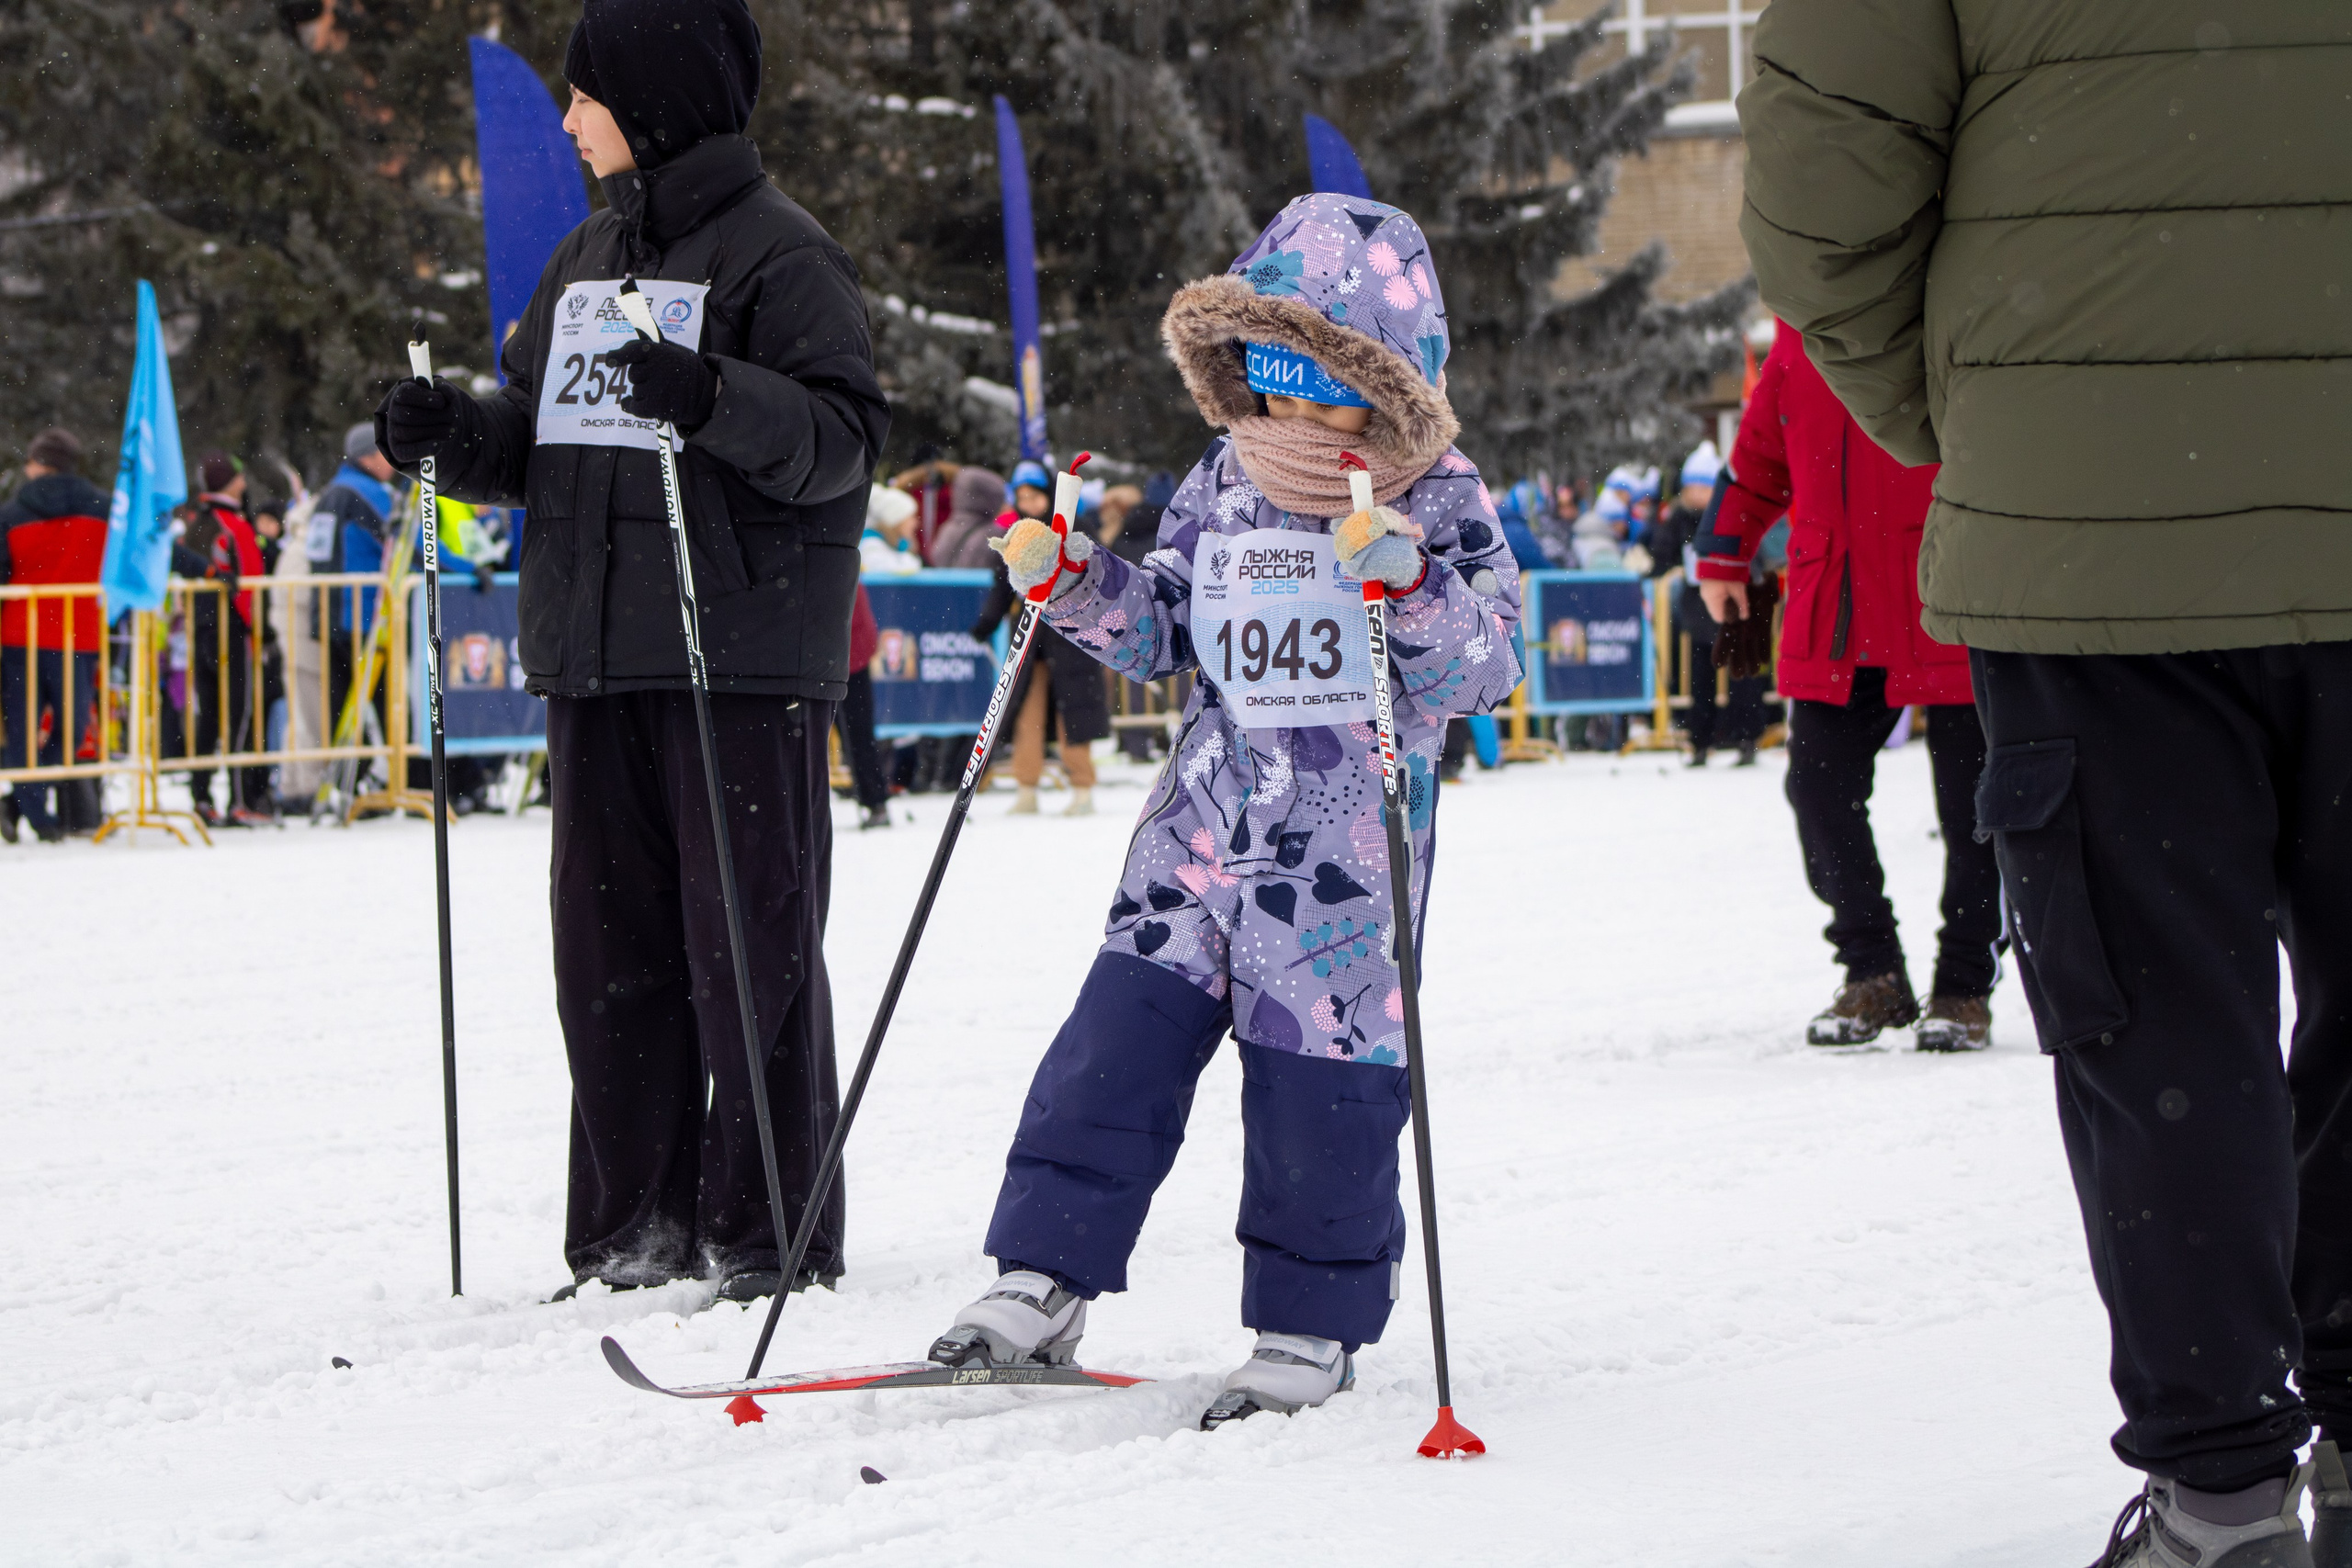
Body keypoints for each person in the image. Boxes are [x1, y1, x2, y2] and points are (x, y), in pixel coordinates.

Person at [1740, 6, 2349, 1562]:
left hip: (2096, 534)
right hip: (2110, 511)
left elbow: (1826, 180)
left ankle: (2220, 1503)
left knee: (2154, 1021)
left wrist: (1982, 411)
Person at [925, 193, 1522, 1427]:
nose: (1292, 409)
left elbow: (1486, 665)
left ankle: (1310, 1321)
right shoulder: (1225, 475)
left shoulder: (1438, 488)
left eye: (1322, 379)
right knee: (1113, 1045)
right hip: (1197, 833)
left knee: (1323, 1085)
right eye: (1268, 371)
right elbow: (1165, 627)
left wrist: (1407, 578)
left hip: (1342, 860)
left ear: (1386, 378)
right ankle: (1043, 1275)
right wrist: (1073, 581)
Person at [375, 0, 888, 1303]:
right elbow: (537, 442)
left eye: (585, 94)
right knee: (608, 961)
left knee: (748, 954)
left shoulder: (787, 258)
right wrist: (452, 434)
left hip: (738, 661)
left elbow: (838, 445)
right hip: (597, 655)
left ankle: (767, 1230)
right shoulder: (586, 258)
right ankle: (628, 1231)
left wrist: (714, 394)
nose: (566, 120)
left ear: (651, 99)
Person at [1695, 321, 1998, 1051]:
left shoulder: (1955, 303)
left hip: (1955, 592)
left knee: (1979, 808)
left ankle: (1964, 983)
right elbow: (1760, 457)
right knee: (1819, 787)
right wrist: (1723, 555)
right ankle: (1873, 972)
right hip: (1843, 601)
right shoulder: (1802, 336)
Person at [0, 428, 108, 843]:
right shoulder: (103, 507)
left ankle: (25, 807)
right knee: (72, 729)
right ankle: (29, 806)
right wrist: (205, 570)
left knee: (22, 730)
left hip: (19, 635)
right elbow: (149, 545)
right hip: (75, 635)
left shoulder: (11, 512)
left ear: (39, 463)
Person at [1644, 441, 1764, 766]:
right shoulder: (1679, 519)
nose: (1697, 494)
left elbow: (1753, 552)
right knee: (1700, 677)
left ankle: (1747, 738)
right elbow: (1660, 556)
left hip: (1733, 603)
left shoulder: (1733, 513)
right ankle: (1700, 740)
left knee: (1742, 672)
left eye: (1703, 487)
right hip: (1697, 610)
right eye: (1692, 487)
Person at [187, 452, 273, 826]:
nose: (243, 484)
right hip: (231, 630)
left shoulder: (195, 523)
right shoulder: (234, 525)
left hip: (201, 628)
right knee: (240, 714)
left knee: (209, 715)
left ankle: (201, 795)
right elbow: (249, 584)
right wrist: (260, 628)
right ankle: (242, 799)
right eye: (238, 478)